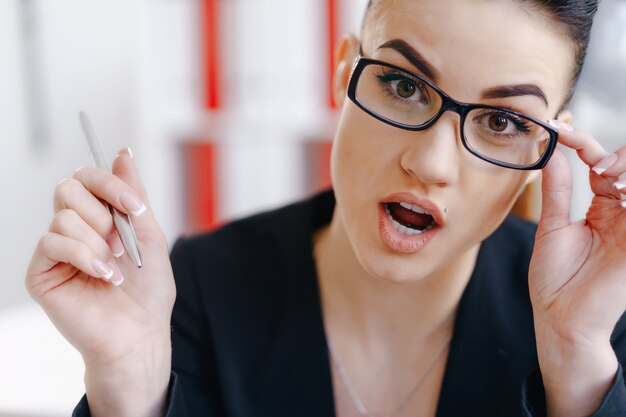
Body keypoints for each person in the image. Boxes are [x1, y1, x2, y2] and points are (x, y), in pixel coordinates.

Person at [25, 0, 626, 415]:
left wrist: (575, 368)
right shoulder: (198, 288)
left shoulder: (591, 324)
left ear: (551, 147)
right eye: (404, 85)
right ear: (344, 70)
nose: (432, 165)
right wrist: (130, 382)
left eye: (502, 121)